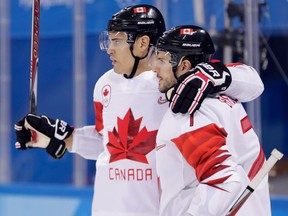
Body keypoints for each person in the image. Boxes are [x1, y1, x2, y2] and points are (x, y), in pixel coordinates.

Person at [14, 5, 266, 216]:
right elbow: (110, 145)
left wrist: (216, 74)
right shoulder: (105, 84)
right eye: (108, 40)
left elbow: (252, 83)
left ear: (143, 43)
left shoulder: (178, 87)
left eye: (117, 40)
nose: (109, 48)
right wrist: (66, 138)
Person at [150, 25, 271, 216]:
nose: (153, 67)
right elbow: (253, 81)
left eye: (161, 59)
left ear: (184, 65)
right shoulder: (227, 95)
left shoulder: (188, 113)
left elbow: (224, 182)